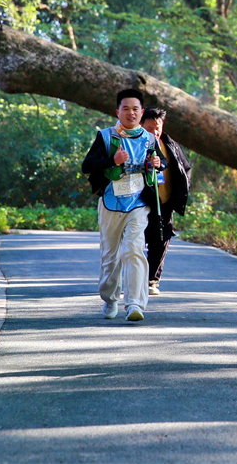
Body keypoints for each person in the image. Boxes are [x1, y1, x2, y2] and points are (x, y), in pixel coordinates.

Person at [82, 89, 166, 322]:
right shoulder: (106, 136)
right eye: (126, 108)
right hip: (110, 203)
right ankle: (110, 299)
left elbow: (162, 162)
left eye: (135, 109)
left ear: (141, 112)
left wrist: (159, 163)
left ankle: (135, 304)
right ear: (117, 111)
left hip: (139, 203)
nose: (131, 113)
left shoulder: (149, 139)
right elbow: (87, 166)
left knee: (134, 250)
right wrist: (113, 160)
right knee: (110, 256)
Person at [141, 108, 192, 296]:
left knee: (161, 241)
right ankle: (133, 279)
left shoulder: (170, 144)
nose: (154, 132)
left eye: (157, 128)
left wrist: (180, 193)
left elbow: (185, 168)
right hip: (142, 202)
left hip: (165, 202)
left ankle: (151, 281)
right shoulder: (136, 144)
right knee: (138, 241)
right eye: (149, 127)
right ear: (141, 125)